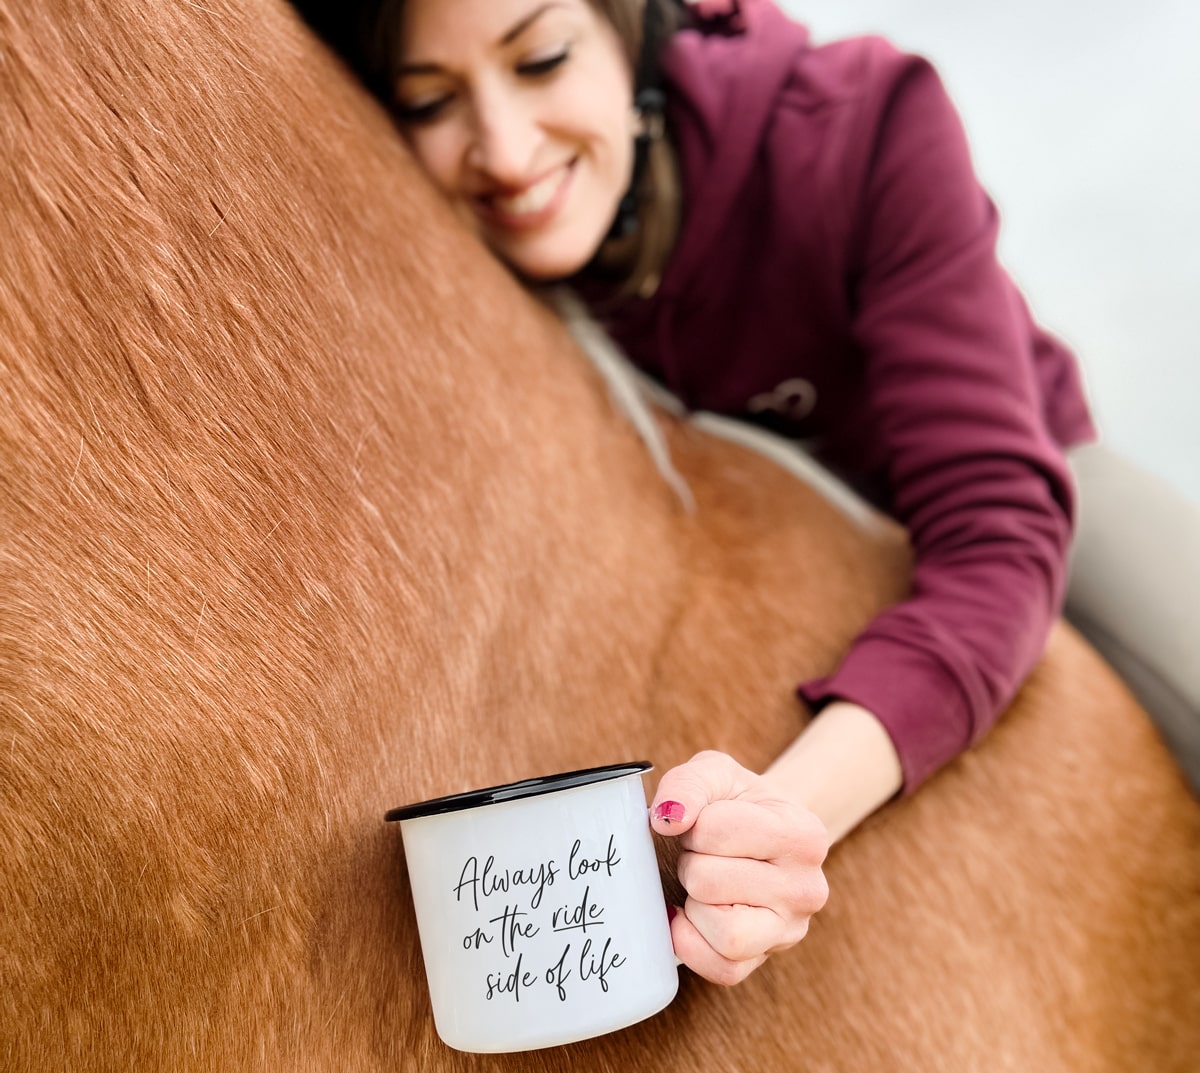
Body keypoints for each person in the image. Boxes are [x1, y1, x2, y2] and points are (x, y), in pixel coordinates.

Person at [308, 0, 1199, 986]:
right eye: (430, 102)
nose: (509, 154)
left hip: (988, 498)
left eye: (544, 58)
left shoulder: (868, 121)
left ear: (630, 28)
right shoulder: (451, 226)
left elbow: (997, 534)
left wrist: (787, 818)